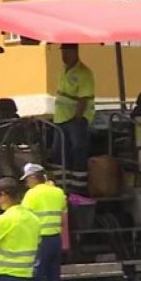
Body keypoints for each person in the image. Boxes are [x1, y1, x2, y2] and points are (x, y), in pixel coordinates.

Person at [20, 163, 74, 281]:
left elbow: (24, 221)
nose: (26, 183)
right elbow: (63, 218)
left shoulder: (30, 195)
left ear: (33, 177)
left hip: (39, 241)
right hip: (55, 240)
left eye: (27, 179)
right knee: (55, 278)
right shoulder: (58, 193)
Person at [53, 43, 95, 195]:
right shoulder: (64, 71)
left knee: (77, 150)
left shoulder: (84, 73)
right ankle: (62, 186)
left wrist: (78, 119)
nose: (64, 56)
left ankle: (78, 188)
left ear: (75, 52)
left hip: (76, 119)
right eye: (62, 52)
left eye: (67, 52)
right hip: (60, 118)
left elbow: (83, 99)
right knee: (59, 153)